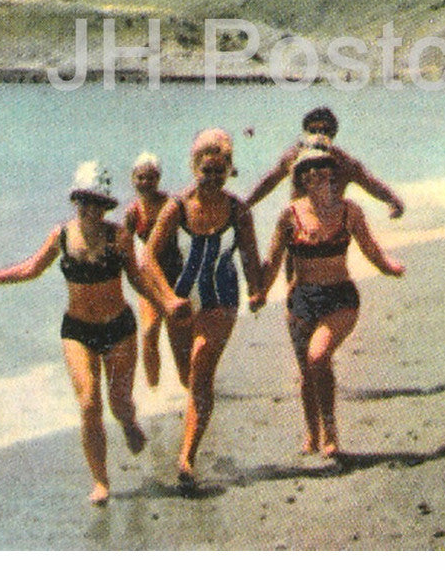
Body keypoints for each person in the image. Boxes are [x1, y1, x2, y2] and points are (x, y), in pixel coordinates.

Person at [0, 161, 188, 505]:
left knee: (120, 404)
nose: (90, 209)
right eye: (84, 201)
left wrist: (167, 304)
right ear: (76, 201)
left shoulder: (119, 238)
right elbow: (30, 269)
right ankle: (101, 481)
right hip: (77, 330)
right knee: (88, 403)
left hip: (118, 327)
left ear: (106, 205)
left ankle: (127, 423)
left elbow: (139, 279)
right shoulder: (62, 235)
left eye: (97, 202)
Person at [251, 144, 405, 459]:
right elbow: (273, 260)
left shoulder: (349, 211)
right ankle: (312, 431)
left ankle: (331, 431)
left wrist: (389, 267)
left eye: (326, 171)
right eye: (312, 173)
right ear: (302, 180)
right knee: (308, 372)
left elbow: (371, 249)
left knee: (318, 356)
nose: (321, 178)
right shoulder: (290, 216)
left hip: (340, 298)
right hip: (301, 300)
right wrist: (261, 293)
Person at [144, 129, 264, 485]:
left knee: (201, 369)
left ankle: (186, 459)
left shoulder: (238, 210)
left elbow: (250, 259)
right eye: (205, 171)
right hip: (181, 300)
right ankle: (197, 417)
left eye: (219, 171)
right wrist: (167, 298)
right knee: (188, 377)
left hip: (221, 300)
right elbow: (147, 257)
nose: (212, 178)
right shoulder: (176, 207)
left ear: (229, 170)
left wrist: (257, 290)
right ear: (193, 167)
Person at [246, 107, 405, 218]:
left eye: (325, 131)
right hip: (298, 229)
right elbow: (268, 183)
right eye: (313, 131)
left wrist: (392, 201)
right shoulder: (293, 158)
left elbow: (370, 183)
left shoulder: (344, 163)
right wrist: (245, 206)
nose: (319, 135)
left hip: (331, 233)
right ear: (305, 133)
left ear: (333, 135)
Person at [122, 152, 183, 388]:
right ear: (133, 179)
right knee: (148, 332)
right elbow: (124, 249)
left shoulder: (171, 205)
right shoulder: (133, 213)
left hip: (175, 275)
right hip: (149, 280)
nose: (145, 183)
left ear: (158, 178)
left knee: (178, 334)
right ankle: (154, 388)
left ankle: (187, 384)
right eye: (140, 177)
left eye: (150, 177)